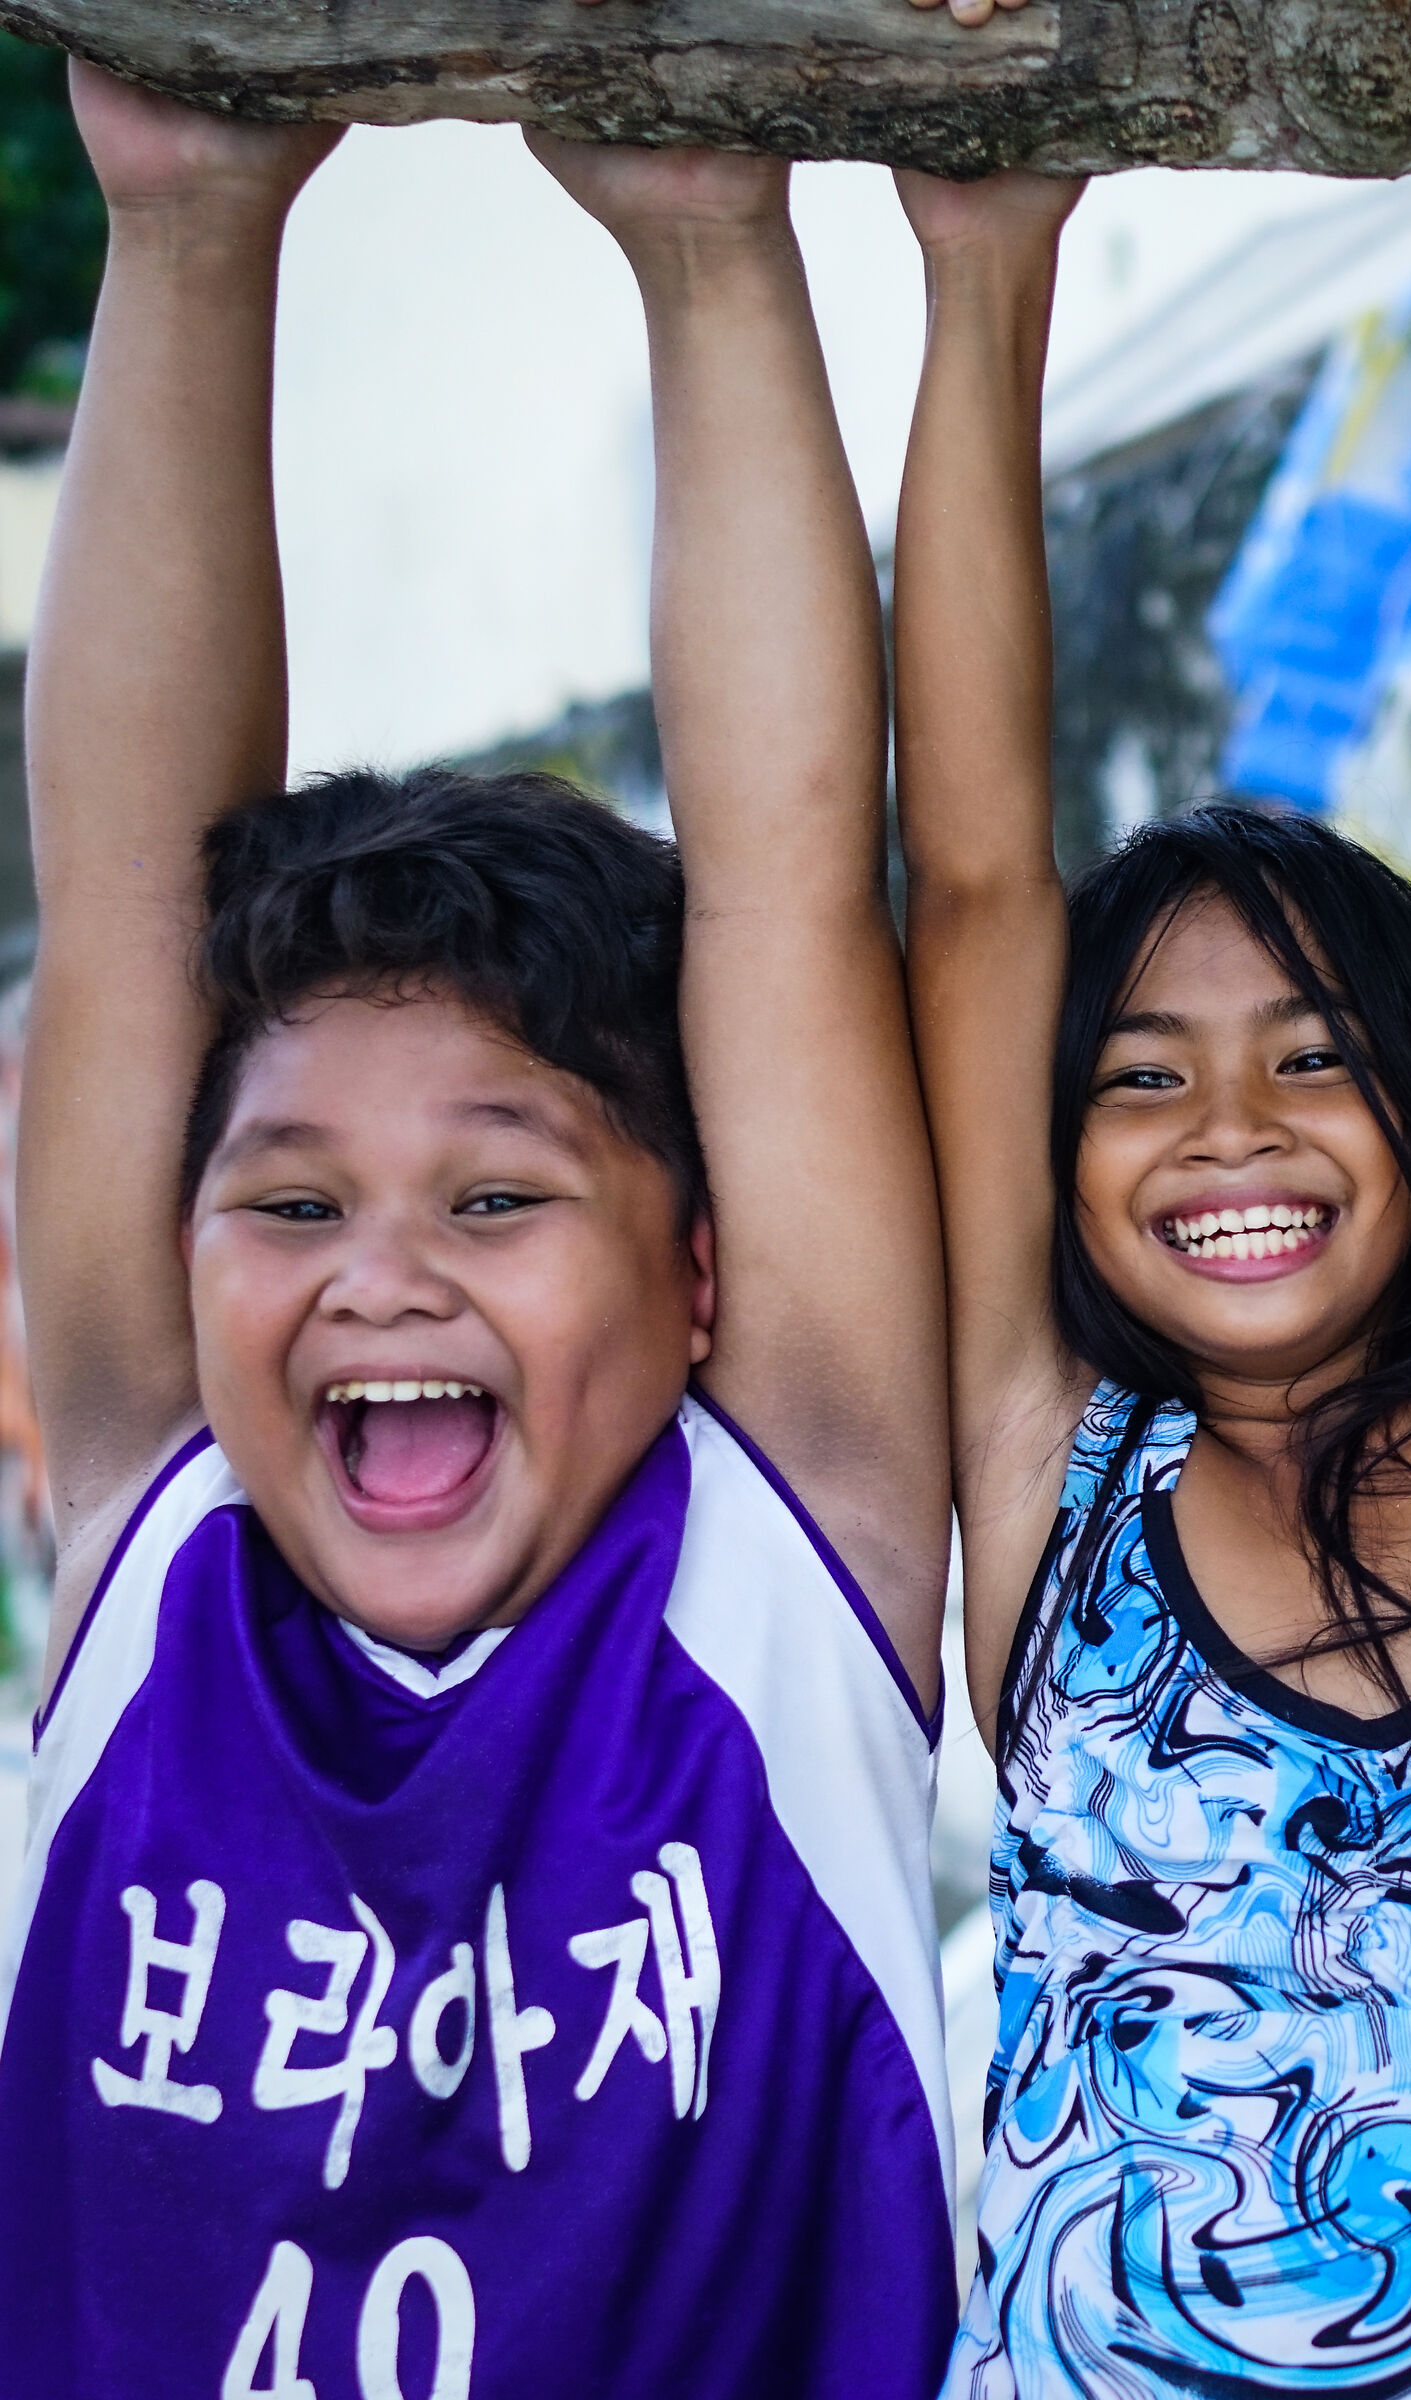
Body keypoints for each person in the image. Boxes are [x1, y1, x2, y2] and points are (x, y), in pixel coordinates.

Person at [0, 70, 957, 2397]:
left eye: (498, 1195)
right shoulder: (159, 1544)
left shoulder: (778, 1561)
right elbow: (125, 905)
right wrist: (186, 223)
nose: (381, 1271)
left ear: (705, 1273)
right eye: (293, 1200)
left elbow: (789, 887)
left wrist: (713, 244)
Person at [892, 162, 1411, 2397]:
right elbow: (974, 871)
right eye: (1141, 1076)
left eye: (1315, 1058)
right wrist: (985, 265)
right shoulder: (1056, 1475)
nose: (1230, 1127)